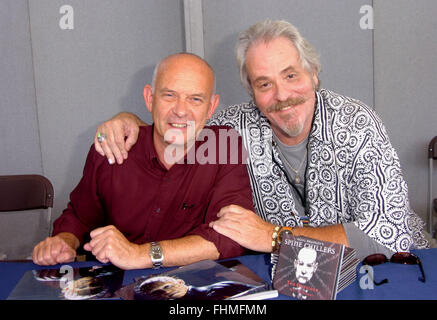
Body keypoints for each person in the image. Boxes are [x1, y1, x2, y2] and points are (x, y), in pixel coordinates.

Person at [92, 20, 429, 268]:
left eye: (291, 75)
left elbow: (387, 235)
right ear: (251, 91)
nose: (281, 95)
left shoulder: (358, 124)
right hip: (289, 277)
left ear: (314, 73)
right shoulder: (232, 130)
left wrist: (272, 237)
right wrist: (127, 121)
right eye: (264, 83)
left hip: (393, 270)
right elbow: (180, 124)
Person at [32, 53, 254, 270]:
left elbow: (231, 236)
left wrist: (139, 254)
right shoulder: (112, 146)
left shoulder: (223, 146)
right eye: (169, 95)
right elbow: (80, 217)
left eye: (195, 99)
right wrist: (64, 242)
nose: (180, 110)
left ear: (211, 108)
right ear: (150, 99)